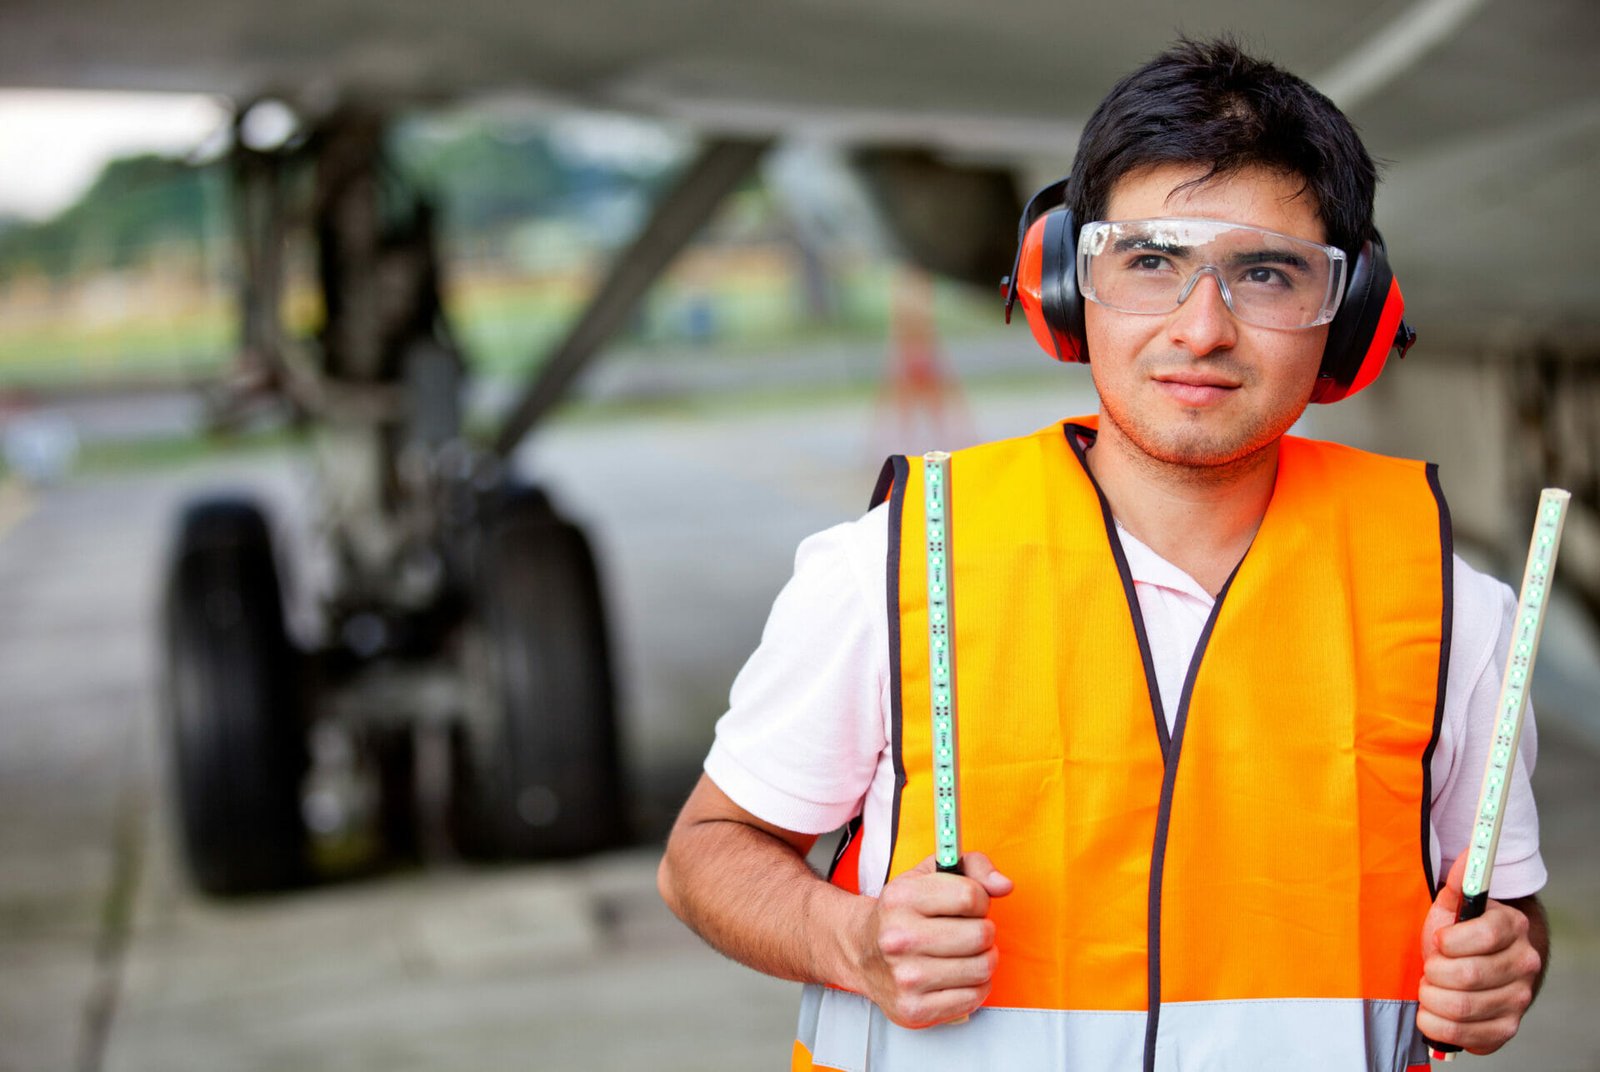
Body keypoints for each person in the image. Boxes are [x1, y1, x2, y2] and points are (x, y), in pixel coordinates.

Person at [658, 38, 1548, 1070]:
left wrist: (1501, 962)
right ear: (1065, 287)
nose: (1201, 328)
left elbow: (1502, 907)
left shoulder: (1450, 607)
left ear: (1347, 318)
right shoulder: (898, 566)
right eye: (1152, 261)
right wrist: (847, 941)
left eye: (1264, 273)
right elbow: (705, 856)